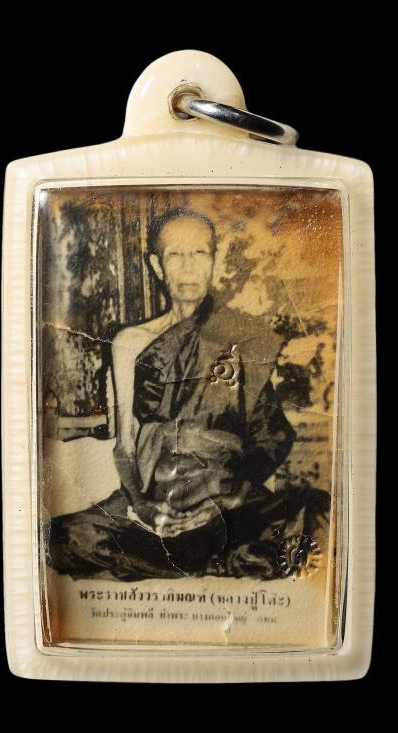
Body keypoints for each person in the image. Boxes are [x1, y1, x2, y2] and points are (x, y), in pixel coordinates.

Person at [48, 208, 329, 580]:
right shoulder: (129, 342)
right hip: (154, 496)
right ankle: (207, 556)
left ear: (214, 260)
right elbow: (125, 447)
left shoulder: (242, 336)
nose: (188, 267)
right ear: (157, 264)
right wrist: (142, 506)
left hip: (225, 496)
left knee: (315, 521)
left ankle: (193, 552)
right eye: (175, 255)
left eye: (199, 253)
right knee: (61, 539)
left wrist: (225, 497)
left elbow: (273, 436)